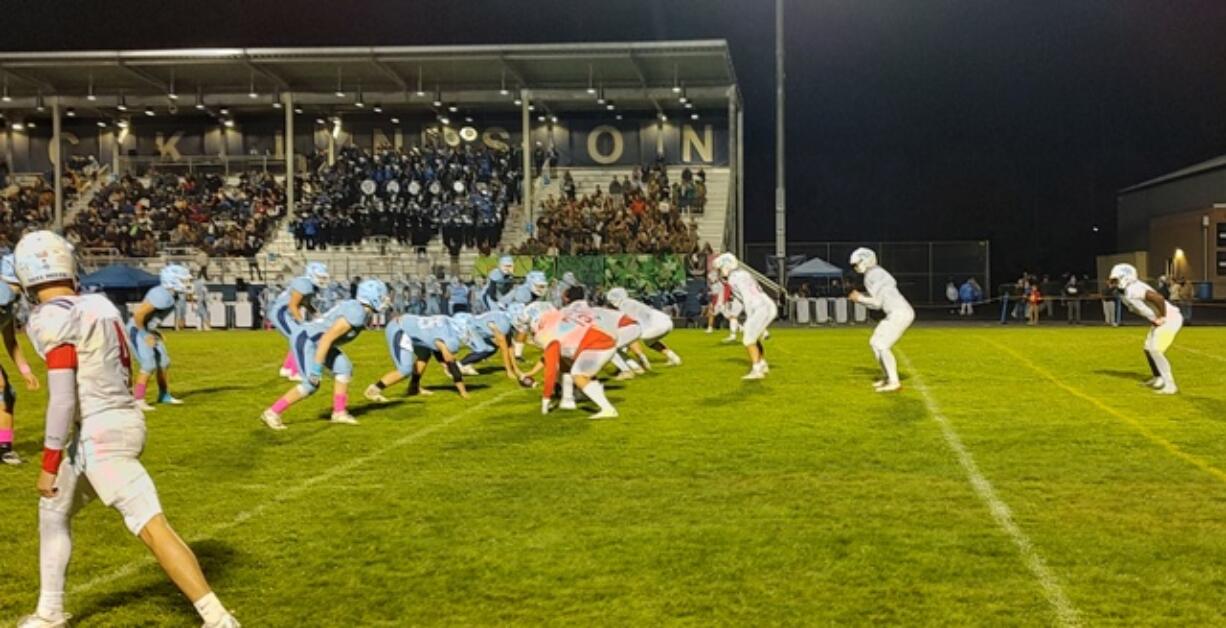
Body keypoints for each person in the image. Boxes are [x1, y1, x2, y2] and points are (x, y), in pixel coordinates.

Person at [11, 231, 239, 628]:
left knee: (150, 525)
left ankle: (218, 618)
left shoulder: (51, 316)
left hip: (100, 432)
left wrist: (48, 459)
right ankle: (49, 611)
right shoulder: (98, 303)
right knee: (53, 509)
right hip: (117, 419)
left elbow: (63, 396)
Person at [259, 279, 389, 430]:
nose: (384, 299)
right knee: (311, 383)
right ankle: (272, 412)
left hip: (317, 340)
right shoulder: (357, 312)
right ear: (371, 296)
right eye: (381, 296)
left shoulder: (358, 308)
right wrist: (316, 369)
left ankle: (339, 412)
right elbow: (327, 338)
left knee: (344, 368)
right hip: (307, 340)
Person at [520, 305, 619, 420]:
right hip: (602, 340)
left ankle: (607, 408)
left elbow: (551, 368)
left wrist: (545, 399)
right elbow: (548, 356)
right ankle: (576, 397)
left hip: (597, 345)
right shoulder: (557, 318)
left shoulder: (546, 332)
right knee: (569, 363)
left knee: (578, 375)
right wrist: (532, 372)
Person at [1109, 263, 1182, 395]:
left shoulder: (1133, 289)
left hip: (1170, 318)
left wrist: (1162, 316)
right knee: (1148, 348)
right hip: (1163, 318)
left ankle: (1170, 385)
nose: (1113, 284)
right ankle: (1158, 377)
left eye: (1116, 280)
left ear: (1125, 277)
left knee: (1155, 349)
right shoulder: (1127, 292)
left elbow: (1158, 298)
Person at [848, 247, 914, 393]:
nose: (856, 268)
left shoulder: (873, 275)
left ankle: (894, 381)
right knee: (874, 342)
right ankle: (888, 377)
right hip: (896, 312)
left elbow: (877, 303)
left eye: (857, 264)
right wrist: (862, 298)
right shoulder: (877, 273)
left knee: (881, 344)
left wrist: (859, 298)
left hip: (899, 312)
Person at [366, 314, 472, 402]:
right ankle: (373, 390)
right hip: (399, 329)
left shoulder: (445, 323)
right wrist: (463, 392)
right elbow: (451, 365)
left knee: (424, 354)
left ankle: (414, 388)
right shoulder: (447, 337)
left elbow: (436, 350)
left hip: (408, 325)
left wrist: (445, 362)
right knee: (404, 370)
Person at [130, 265, 192, 410]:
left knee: (163, 362)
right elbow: (138, 315)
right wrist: (145, 335)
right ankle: (138, 399)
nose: (186, 283)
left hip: (147, 329)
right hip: (136, 329)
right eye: (182, 280)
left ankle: (164, 395)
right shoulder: (161, 295)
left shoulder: (171, 294)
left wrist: (153, 330)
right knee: (149, 364)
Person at [0, 254, 40, 465]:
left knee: (7, 396)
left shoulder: (10, 300)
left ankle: (4, 447)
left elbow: (9, 339)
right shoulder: (3, 293)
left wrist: (25, 370)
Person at [713, 253, 776, 380]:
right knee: (753, 336)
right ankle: (762, 364)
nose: (719, 272)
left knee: (748, 339)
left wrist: (751, 316)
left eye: (720, 269)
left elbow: (747, 298)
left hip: (759, 307)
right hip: (766, 304)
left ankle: (757, 370)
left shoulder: (735, 278)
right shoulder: (744, 274)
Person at [267, 262, 329, 381]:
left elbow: (305, 303)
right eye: (320, 276)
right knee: (301, 340)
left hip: (286, 312)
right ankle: (296, 372)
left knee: (299, 338)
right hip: (282, 313)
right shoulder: (303, 284)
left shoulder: (309, 285)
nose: (322, 279)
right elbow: (293, 305)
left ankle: (287, 368)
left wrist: (317, 315)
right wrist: (302, 322)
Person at [606, 287, 682, 368]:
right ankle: (674, 358)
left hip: (656, 324)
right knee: (650, 342)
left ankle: (643, 361)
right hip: (665, 321)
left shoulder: (623, 306)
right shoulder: (630, 302)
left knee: (630, 337)